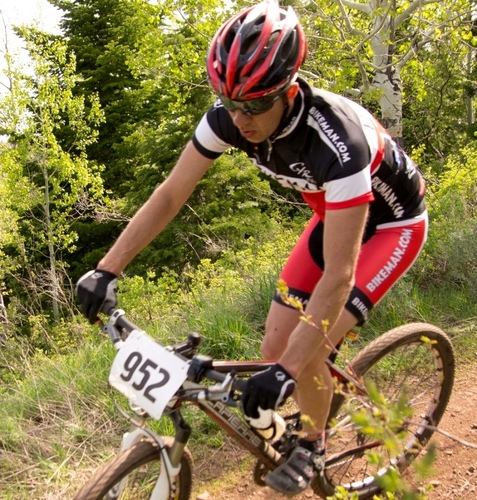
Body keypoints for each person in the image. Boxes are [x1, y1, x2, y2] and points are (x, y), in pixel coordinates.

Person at [76, 1, 427, 495]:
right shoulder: (229, 116)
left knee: (301, 357)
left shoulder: (337, 142)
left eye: (255, 104)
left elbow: (340, 277)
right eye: (229, 101)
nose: (240, 118)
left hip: (392, 228)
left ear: (288, 88)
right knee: (272, 348)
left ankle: (314, 442)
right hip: (334, 216)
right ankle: (296, 403)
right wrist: (107, 269)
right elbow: (171, 195)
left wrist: (289, 370)